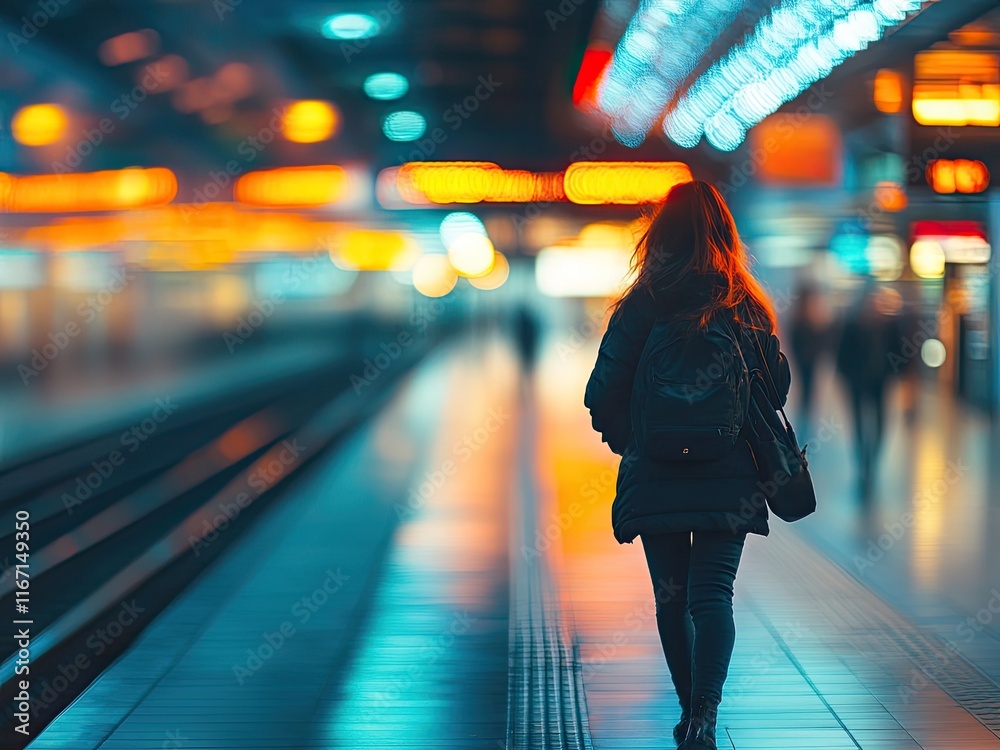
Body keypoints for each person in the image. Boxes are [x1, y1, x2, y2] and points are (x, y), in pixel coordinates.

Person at [584, 181, 790, 750]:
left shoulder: (642, 303)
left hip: (657, 476)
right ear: (724, 233)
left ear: (659, 236)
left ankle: (688, 711)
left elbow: (602, 393)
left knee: (673, 598)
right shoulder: (743, 304)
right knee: (713, 594)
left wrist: (638, 442)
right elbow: (774, 392)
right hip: (731, 475)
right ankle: (705, 714)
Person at [835, 286, 899, 499]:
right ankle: (863, 459)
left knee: (881, 421)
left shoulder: (888, 326)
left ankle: (872, 458)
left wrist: (893, 371)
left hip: (879, 381)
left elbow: (898, 350)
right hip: (857, 381)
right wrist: (844, 375)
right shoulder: (853, 325)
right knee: (859, 422)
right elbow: (842, 353)